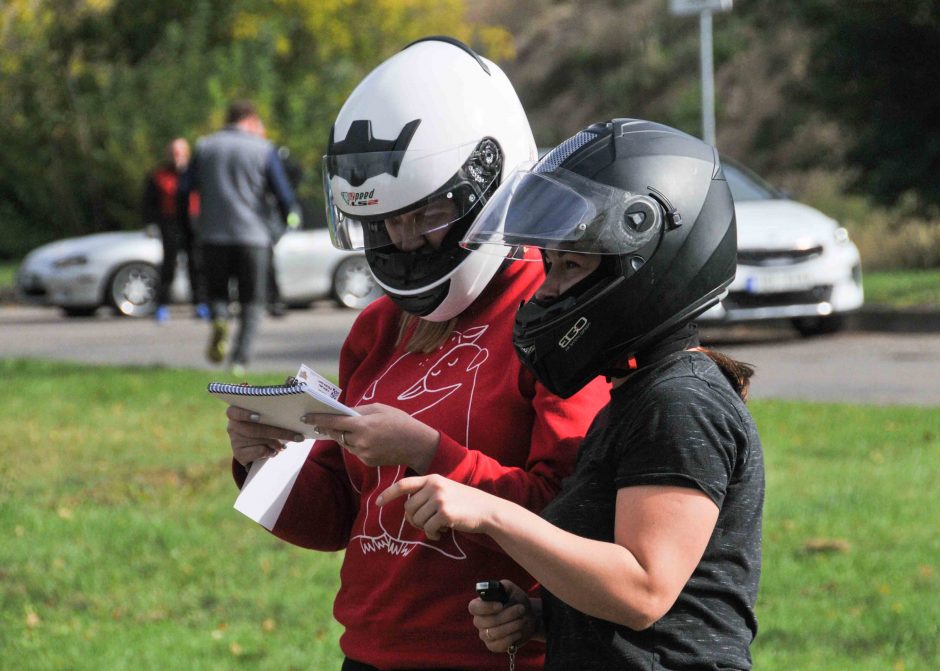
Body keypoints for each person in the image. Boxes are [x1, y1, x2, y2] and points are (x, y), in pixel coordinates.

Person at [223, 37, 608, 671]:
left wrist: (432, 455)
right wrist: (264, 464)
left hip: (492, 657)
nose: (402, 244)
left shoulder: (554, 314)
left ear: (493, 184)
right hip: (370, 654)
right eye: (383, 223)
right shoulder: (380, 327)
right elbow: (345, 520)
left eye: (425, 214)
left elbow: (580, 516)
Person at [379, 119, 765, 670]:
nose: (548, 289)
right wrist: (542, 616)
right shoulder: (637, 393)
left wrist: (490, 514)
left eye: (570, 266)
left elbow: (643, 592)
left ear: (649, 263)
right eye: (550, 265)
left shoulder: (681, 403)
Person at [178, 100, 298, 375]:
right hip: (253, 237)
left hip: (212, 237)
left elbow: (184, 190)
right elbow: (283, 194)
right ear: (251, 120)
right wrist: (285, 220)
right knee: (252, 302)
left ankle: (219, 319)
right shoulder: (263, 149)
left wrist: (190, 225)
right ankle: (239, 361)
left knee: (217, 293)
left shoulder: (205, 147)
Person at [142, 137, 206, 322]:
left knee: (196, 263)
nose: (176, 156)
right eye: (173, 152)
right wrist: (151, 223)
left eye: (179, 152)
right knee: (169, 264)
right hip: (170, 222)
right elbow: (148, 203)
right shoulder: (158, 175)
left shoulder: (196, 173)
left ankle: (200, 303)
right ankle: (162, 304)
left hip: (193, 222)